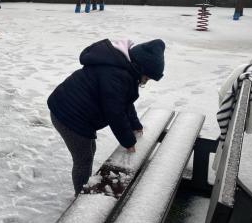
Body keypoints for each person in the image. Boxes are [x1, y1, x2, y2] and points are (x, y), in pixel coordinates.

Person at [47, 39, 165, 195]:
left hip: (74, 112)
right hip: (68, 115)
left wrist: (135, 124)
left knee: (89, 150)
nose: (146, 81)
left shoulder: (123, 70)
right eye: (147, 78)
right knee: (83, 159)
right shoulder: (116, 75)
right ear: (140, 67)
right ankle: (80, 200)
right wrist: (128, 141)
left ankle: (85, 184)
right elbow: (115, 112)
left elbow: (125, 102)